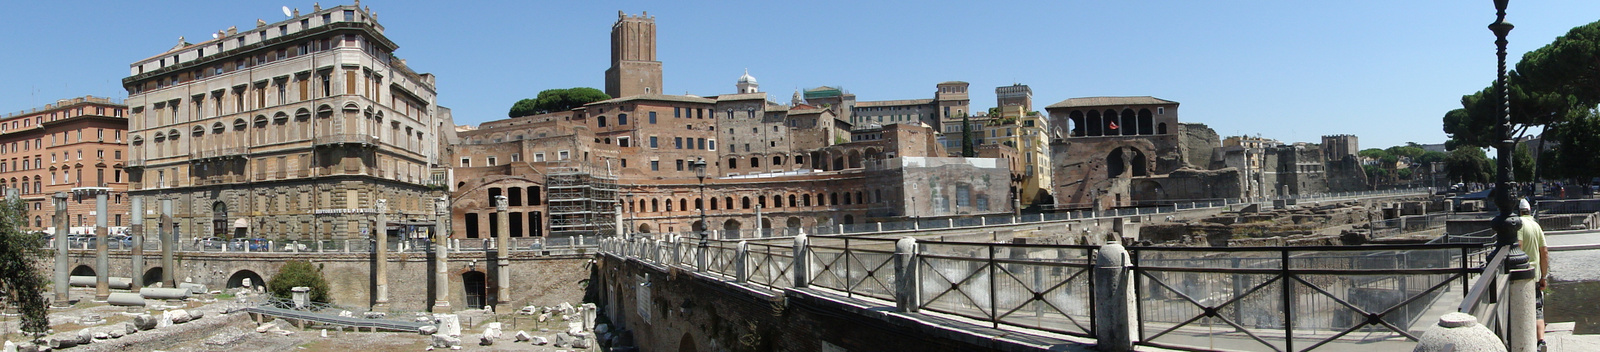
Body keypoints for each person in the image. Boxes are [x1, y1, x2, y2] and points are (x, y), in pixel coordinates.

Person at [1517, 199, 1550, 351]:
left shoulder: (1518, 225)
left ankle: (1522, 341)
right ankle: (1541, 341)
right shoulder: (1536, 226)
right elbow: (1544, 252)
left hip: (1522, 275)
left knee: (1520, 309)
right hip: (1536, 276)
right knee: (1538, 309)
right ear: (1530, 211)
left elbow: (1519, 247)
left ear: (1519, 212)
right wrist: (1544, 276)